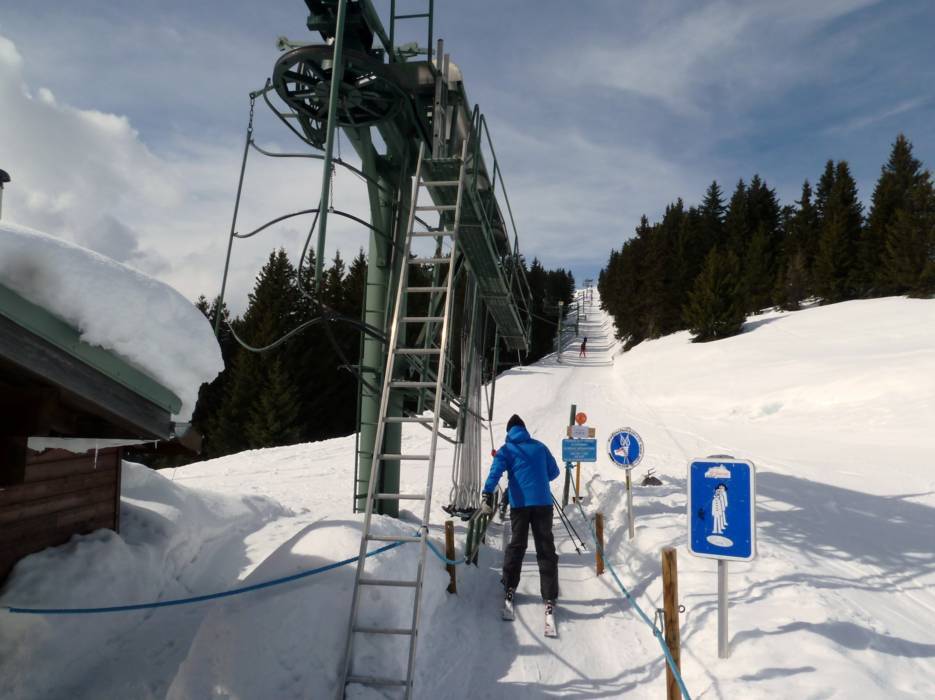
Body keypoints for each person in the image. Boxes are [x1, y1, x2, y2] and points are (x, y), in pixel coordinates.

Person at [481, 414, 561, 610]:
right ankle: (549, 595)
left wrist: (487, 493)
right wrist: (537, 477)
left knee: (517, 545)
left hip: (520, 505)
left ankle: (509, 586)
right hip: (543, 503)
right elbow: (554, 472)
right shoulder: (540, 447)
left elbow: (495, 473)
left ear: (509, 432)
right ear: (524, 429)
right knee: (545, 547)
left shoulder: (507, 449)